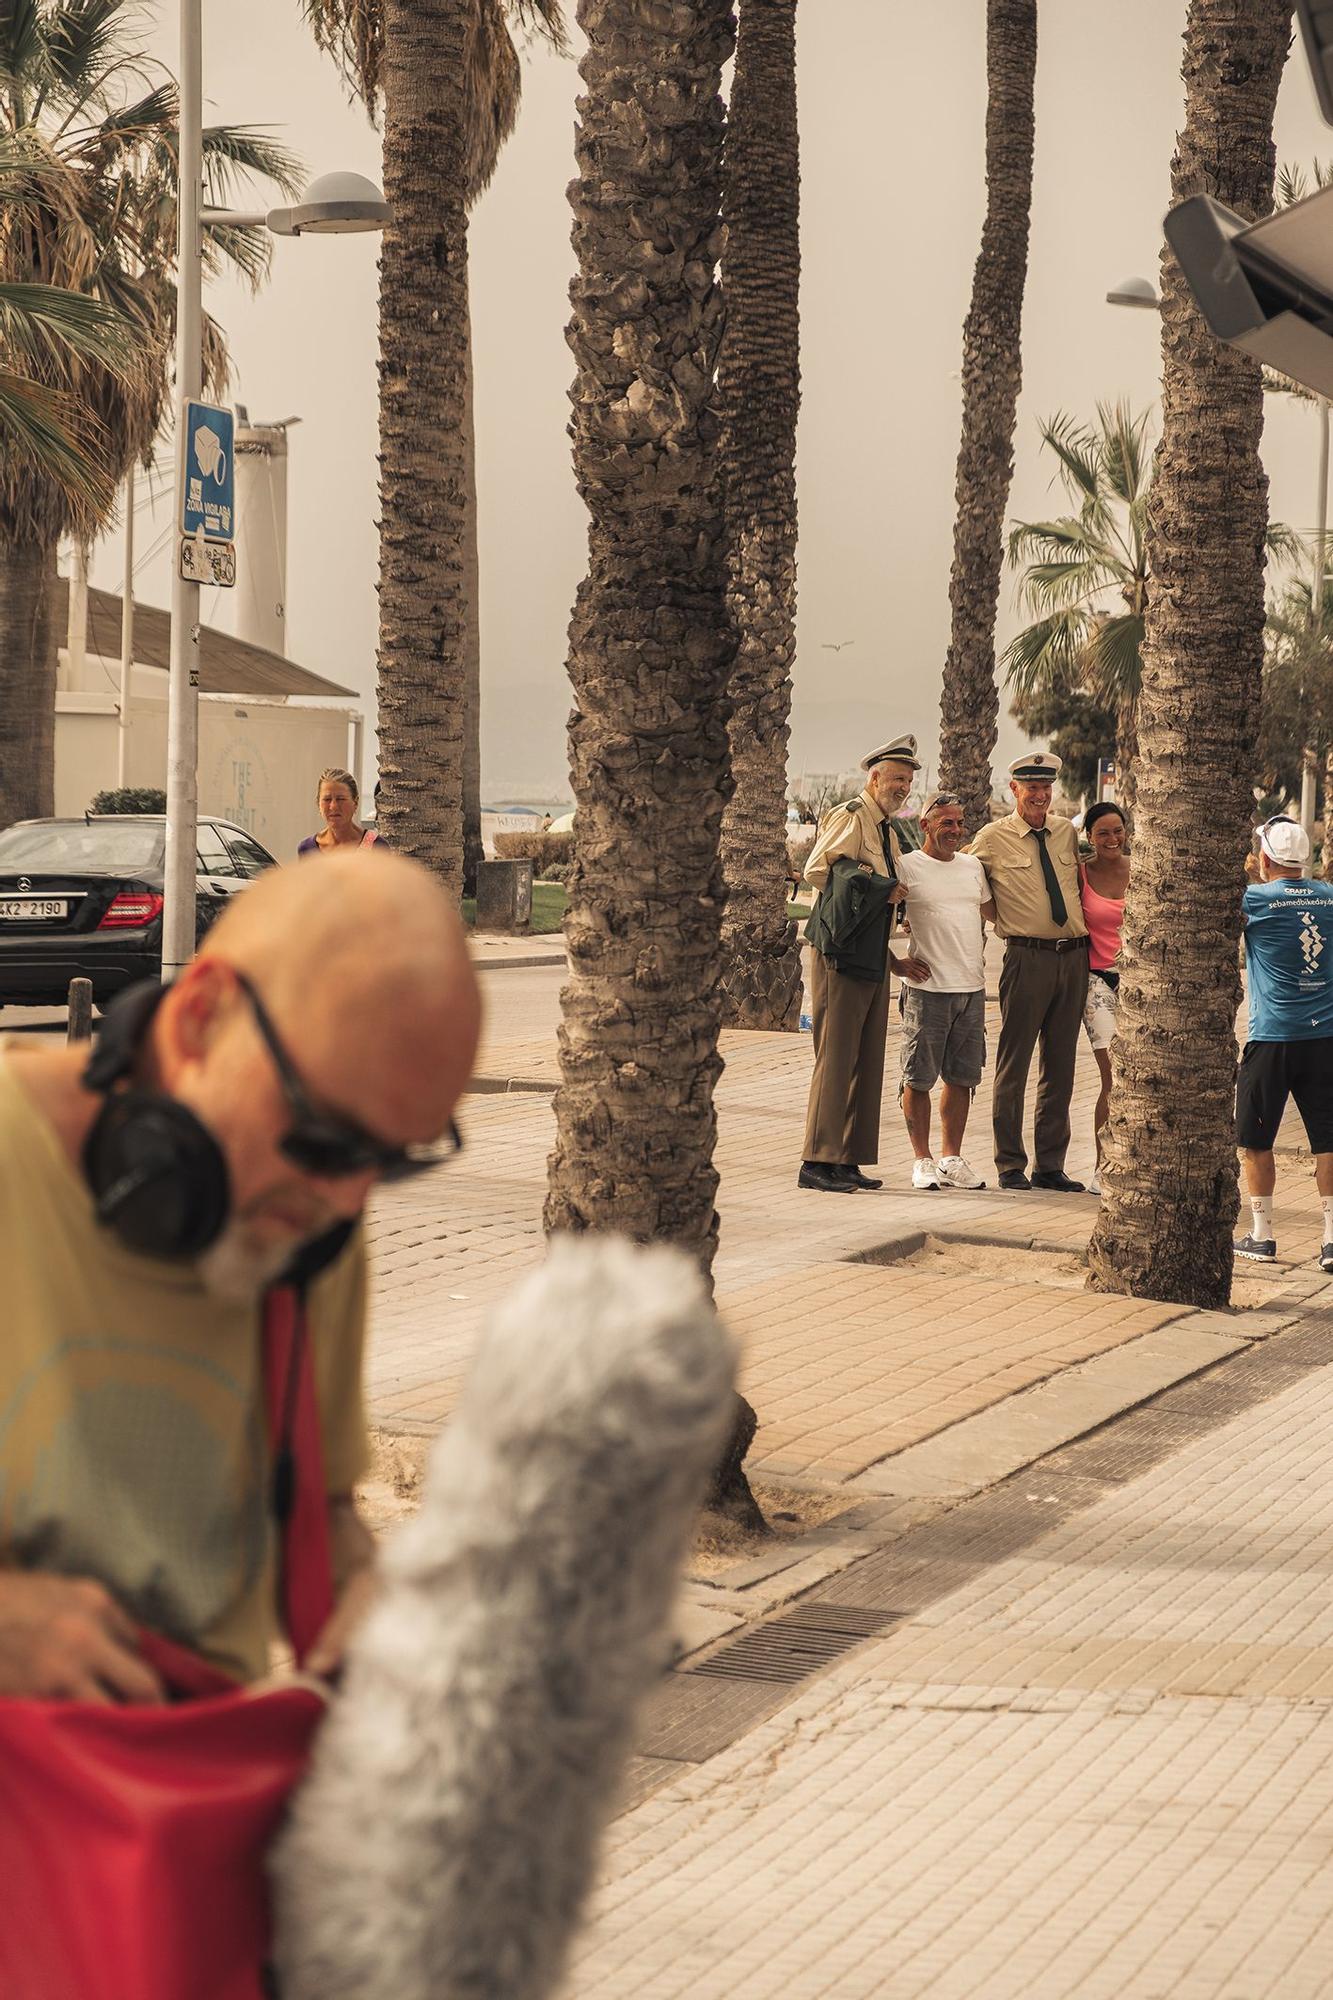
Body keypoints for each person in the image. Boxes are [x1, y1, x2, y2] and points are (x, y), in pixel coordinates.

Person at [0, 849, 481, 1699]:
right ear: (199, 1020)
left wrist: (371, 1593)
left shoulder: (305, 1225)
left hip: (172, 1803)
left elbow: (320, 1511)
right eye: (324, 1137)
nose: (345, 1197)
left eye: (389, 1162)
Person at [799, 734, 930, 1193]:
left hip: (871, 951)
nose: (902, 788)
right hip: (841, 952)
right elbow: (819, 870)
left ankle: (848, 1157)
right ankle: (817, 1159)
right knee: (835, 1057)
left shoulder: (887, 829)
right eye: (896, 779)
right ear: (873, 778)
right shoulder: (850, 816)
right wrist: (878, 886)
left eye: (908, 782)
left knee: (867, 1058)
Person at [970, 752, 1089, 1191]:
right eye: (1030, 788)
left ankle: (1050, 1166)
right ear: (1014, 790)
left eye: (1045, 788)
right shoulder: (991, 837)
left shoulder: (1064, 833)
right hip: (1026, 957)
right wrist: (998, 915)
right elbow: (964, 875)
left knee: (1061, 1066)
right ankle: (1009, 1164)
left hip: (1073, 957)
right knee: (1014, 1063)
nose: (1039, 795)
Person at [1235, 815, 1333, 1268]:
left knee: (1257, 1138)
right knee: (1328, 1140)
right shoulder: (1330, 898)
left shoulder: (1255, 899)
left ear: (1266, 859)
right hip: (1324, 1039)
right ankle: (1331, 1240)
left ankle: (1262, 1235)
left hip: (1271, 1038)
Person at [892, 792, 995, 1190]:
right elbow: (873, 917)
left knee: (962, 1078)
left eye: (958, 823)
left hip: (971, 988)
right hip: (926, 990)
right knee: (918, 1078)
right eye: (945, 822)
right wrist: (895, 964)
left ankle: (951, 1158)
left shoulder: (972, 867)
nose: (954, 830)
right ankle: (922, 1160)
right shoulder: (905, 867)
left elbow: (993, 912)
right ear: (925, 825)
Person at [1079, 801, 1130, 1195]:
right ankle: (1102, 1167)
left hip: (1142, 985)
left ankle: (1133, 1160)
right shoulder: (1079, 874)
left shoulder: (1141, 871)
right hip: (1097, 982)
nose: (1112, 839)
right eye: (1103, 833)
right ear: (1090, 838)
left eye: (1117, 830)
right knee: (1112, 1076)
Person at [298, 768, 381, 856]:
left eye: (341, 799)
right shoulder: (307, 849)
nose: (333, 806)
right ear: (318, 803)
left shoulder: (377, 846)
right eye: (327, 799)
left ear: (355, 802)